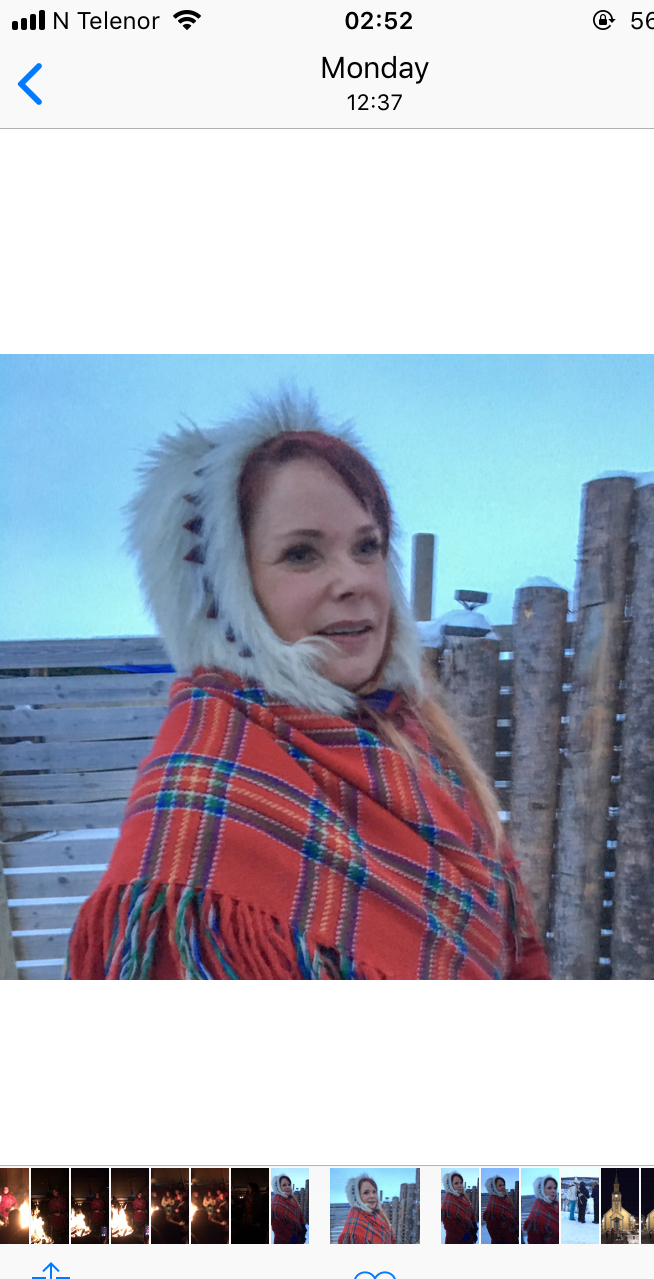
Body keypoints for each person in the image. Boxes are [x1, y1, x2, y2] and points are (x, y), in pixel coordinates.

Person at [66, 391, 549, 982]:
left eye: (366, 547)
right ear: (226, 594)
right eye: (301, 554)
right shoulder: (202, 820)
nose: (353, 581)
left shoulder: (411, 737)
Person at [338, 1175, 395, 1244]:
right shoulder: (354, 1226)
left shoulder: (379, 1216)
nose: (372, 1196)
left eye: (374, 1192)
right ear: (357, 1197)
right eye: (366, 1192)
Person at [442, 1172, 478, 1244]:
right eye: (456, 1183)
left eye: (461, 1183)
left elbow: (471, 1213)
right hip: (456, 1240)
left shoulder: (464, 1198)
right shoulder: (448, 1204)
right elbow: (451, 1228)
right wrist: (467, 1237)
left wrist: (474, 1227)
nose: (460, 1185)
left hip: (469, 1237)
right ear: (450, 1186)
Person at [271, 1174, 307, 1244]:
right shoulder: (276, 1205)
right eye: (284, 1185)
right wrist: (294, 1239)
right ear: (279, 1187)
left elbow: (299, 1213)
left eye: (289, 1184)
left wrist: (303, 1228)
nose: (288, 1187)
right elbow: (278, 1229)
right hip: (284, 1241)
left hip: (298, 1236)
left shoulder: (292, 1199)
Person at [523, 1176, 559, 1245]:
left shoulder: (556, 1206)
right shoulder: (536, 1215)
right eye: (549, 1188)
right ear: (542, 1190)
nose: (553, 1190)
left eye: (555, 1188)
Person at [482, 1175, 518, 1244]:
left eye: (504, 1185)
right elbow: (492, 1229)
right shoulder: (493, 1205)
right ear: (494, 1188)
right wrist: (499, 1242)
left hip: (512, 1239)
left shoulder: (506, 1200)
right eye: (500, 1185)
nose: (503, 1187)